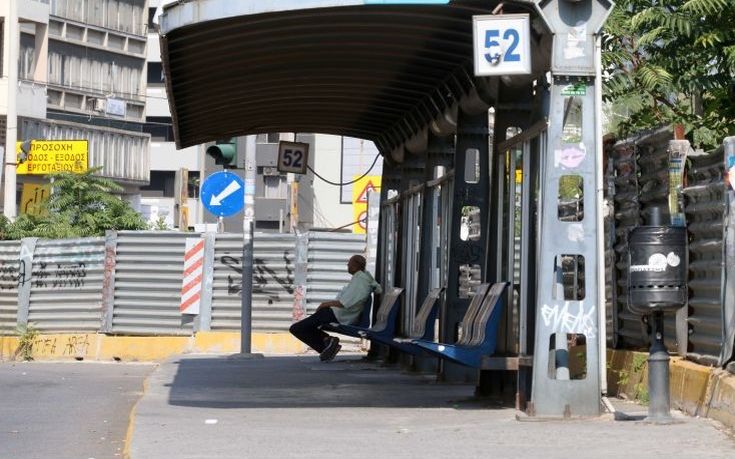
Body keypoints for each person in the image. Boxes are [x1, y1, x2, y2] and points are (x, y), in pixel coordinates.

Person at [289, 254, 381, 361]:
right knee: (305, 326)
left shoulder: (361, 280)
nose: (348, 266)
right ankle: (328, 343)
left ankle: (328, 343)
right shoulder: (361, 277)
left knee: (296, 328)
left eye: (349, 264)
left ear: (355, 265)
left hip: (336, 315)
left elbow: (345, 303)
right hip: (333, 313)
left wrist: (325, 304)